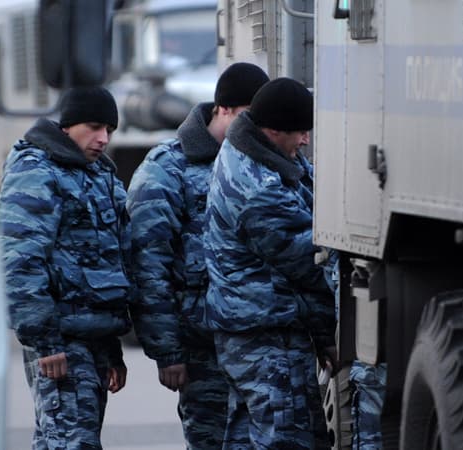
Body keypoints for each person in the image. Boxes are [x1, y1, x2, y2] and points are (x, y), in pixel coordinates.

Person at [126, 62, 269, 449]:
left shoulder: (262, 162)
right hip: (201, 343)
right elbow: (148, 263)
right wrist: (166, 349)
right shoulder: (166, 169)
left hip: (259, 340)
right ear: (223, 109)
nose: (254, 129)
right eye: (246, 118)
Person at [203, 77, 337, 449]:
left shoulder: (256, 155)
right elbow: (311, 265)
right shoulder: (260, 187)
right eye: (300, 131)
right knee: (284, 439)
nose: (306, 140)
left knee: (249, 438)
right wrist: (331, 332)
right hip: (266, 338)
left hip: (251, 332)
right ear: (274, 130)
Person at [0, 86, 132, 449]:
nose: (103, 139)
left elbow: (109, 262)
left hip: (92, 338)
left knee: (64, 441)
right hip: (61, 338)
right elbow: (20, 259)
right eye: (94, 127)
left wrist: (112, 347)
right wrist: (45, 341)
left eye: (110, 130)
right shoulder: (36, 169)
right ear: (68, 126)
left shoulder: (98, 173)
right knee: (72, 442)